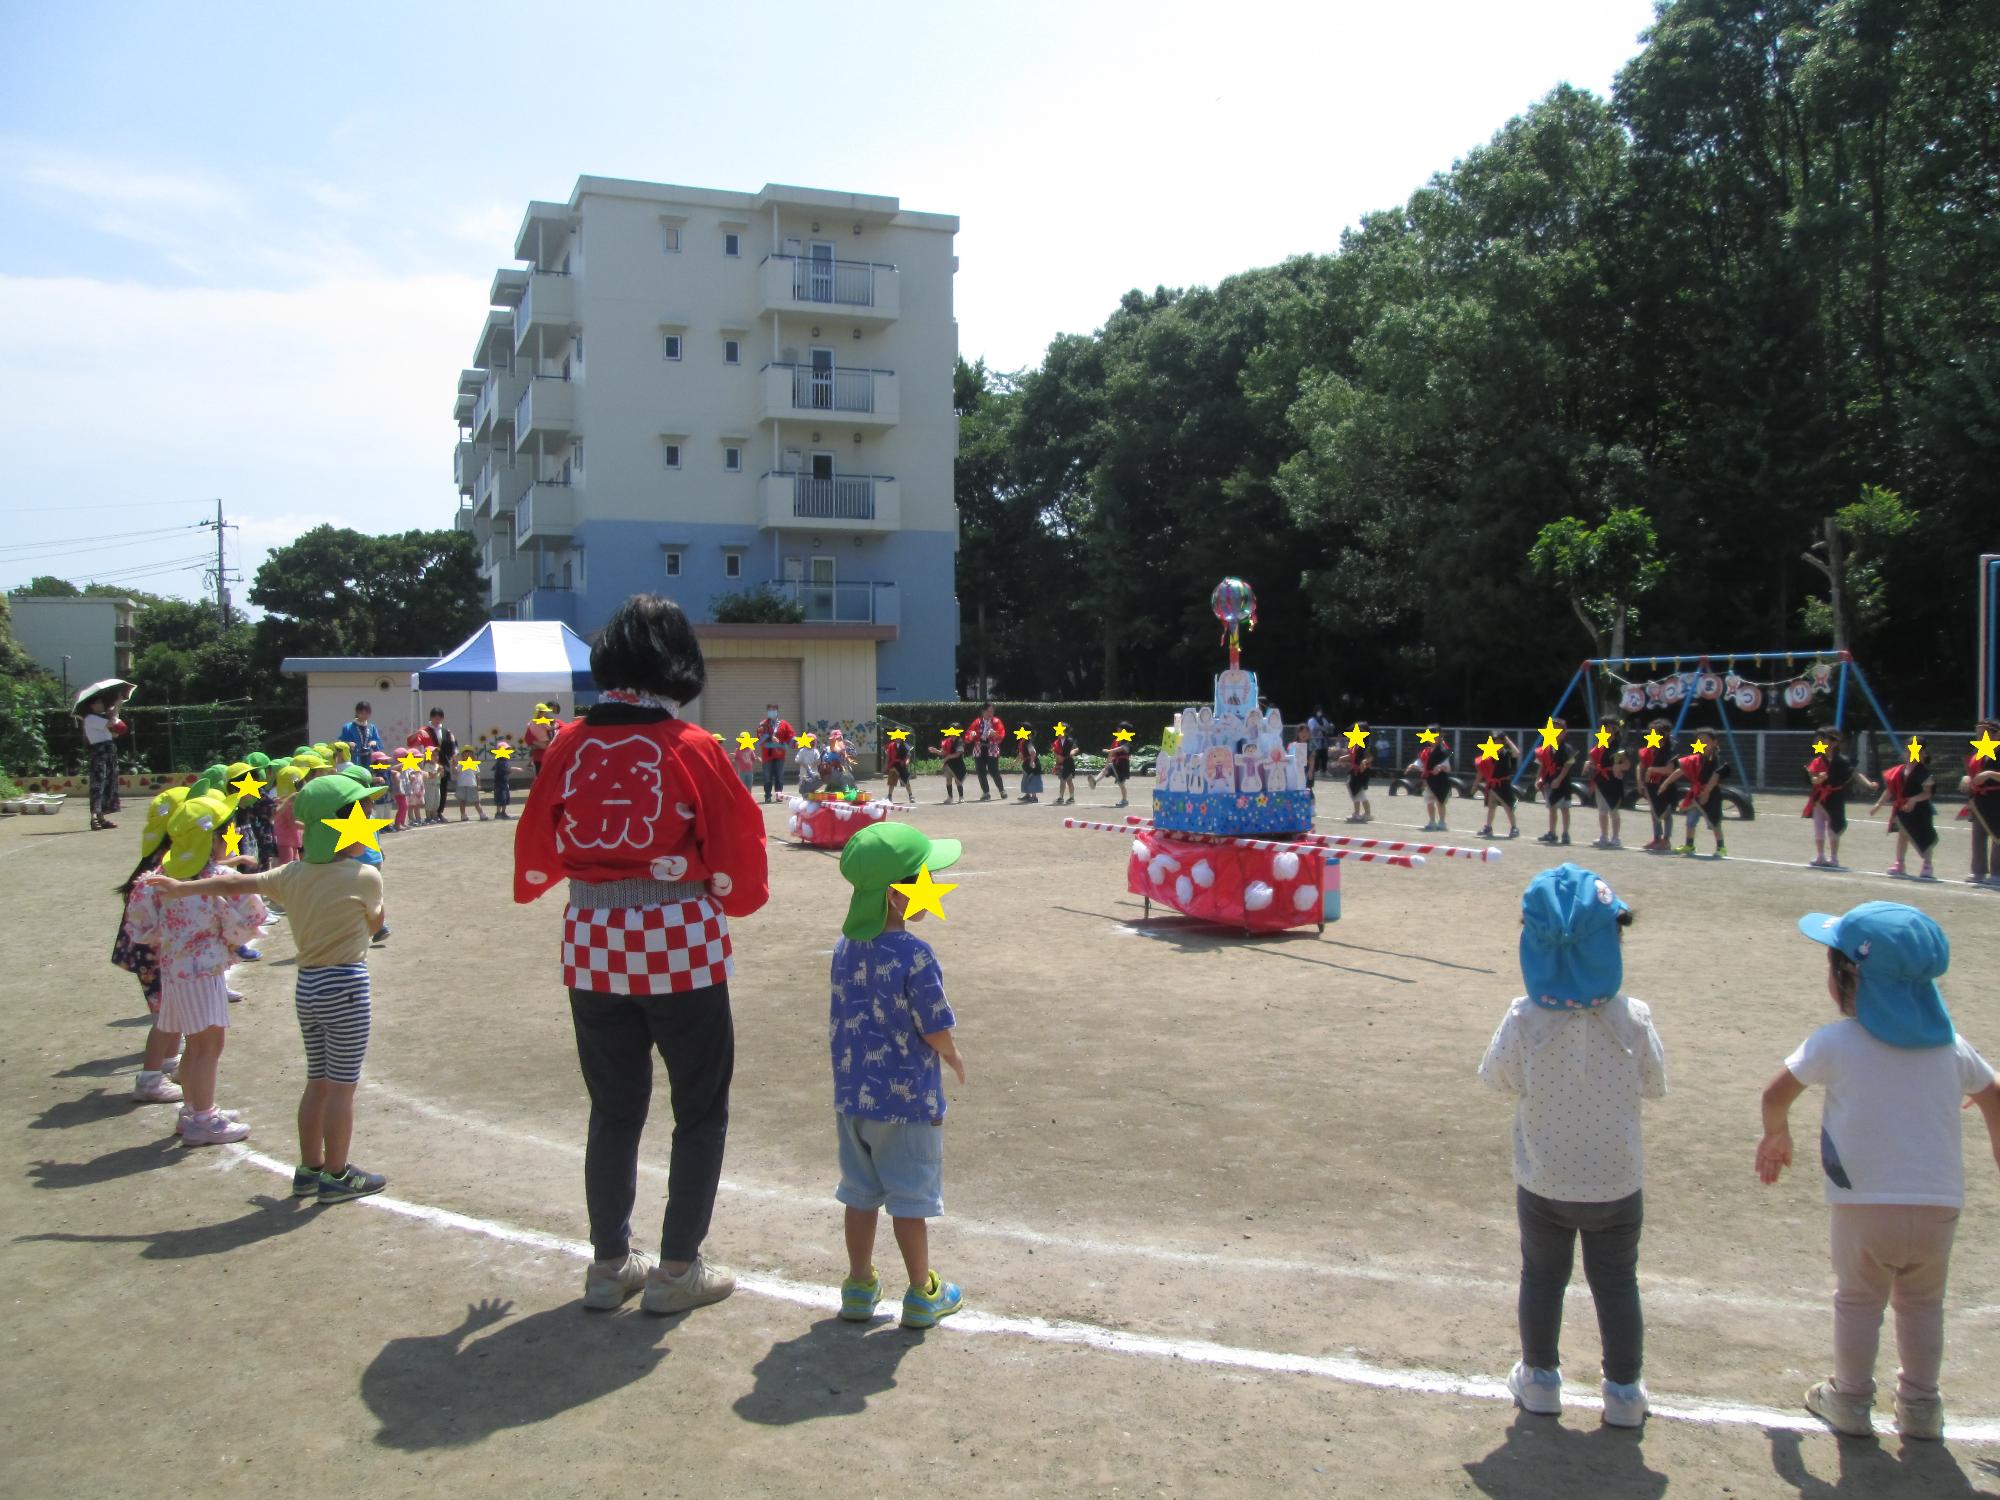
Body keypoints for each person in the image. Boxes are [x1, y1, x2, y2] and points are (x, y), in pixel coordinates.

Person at [511, 594, 770, 1316]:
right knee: (700, 1110)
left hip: (591, 943)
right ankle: (677, 1269)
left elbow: (537, 837)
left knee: (614, 1110)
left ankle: (608, 1265)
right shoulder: (692, 747)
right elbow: (737, 849)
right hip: (679, 942)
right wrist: (729, 896)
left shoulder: (566, 743)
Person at [1756, 902, 2000, 1440]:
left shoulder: (1835, 1041)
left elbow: (1776, 1094)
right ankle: (1920, 1407)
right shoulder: (1951, 1048)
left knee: (1859, 1299)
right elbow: (1994, 1097)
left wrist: (1778, 1132)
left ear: (1849, 978)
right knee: (1923, 1303)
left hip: (1864, 1206)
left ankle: (1849, 1397)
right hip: (1939, 1206)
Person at [142, 775, 396, 1204]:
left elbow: (229, 884)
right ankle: (337, 1175)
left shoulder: (291, 874)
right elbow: (376, 927)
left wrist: (182, 886)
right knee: (342, 1087)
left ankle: (309, 1168)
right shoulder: (365, 876)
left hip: (309, 987)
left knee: (317, 1081)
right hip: (347, 986)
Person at [1479, 865, 1665, 1429]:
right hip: (1616, 1181)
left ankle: (1540, 1379)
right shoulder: (1633, 1019)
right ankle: (1624, 1392)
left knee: (1542, 1276)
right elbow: (1655, 1086)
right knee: (1616, 1282)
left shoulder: (1525, 1017)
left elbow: (1498, 1080)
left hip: (1544, 1178)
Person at [831, 822, 967, 1329]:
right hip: (906, 1102)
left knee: (860, 1194)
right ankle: (921, 1291)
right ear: (895, 896)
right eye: (924, 878)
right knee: (909, 1199)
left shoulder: (846, 949)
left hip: (853, 1099)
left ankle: (859, 1284)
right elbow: (933, 1024)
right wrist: (952, 1056)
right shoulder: (914, 954)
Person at [122, 794, 265, 1146]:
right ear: (211, 839)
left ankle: (193, 1109)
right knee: (207, 1045)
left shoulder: (159, 880)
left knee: (196, 1044)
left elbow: (142, 927)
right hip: (203, 973)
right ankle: (203, 1117)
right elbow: (253, 917)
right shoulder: (217, 880)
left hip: (174, 970)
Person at [114, 787, 190, 1104]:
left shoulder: (161, 856)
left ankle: (169, 1064)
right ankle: (149, 1080)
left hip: (153, 950)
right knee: (167, 1013)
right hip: (155, 953)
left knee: (174, 1012)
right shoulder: (167, 864)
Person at [1804, 727, 1873, 871]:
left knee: (1833, 827)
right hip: (1819, 798)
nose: (1819, 742)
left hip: (1835, 797)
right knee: (1819, 827)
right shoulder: (1818, 760)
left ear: (1833, 743)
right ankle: (1820, 855)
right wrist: (1818, 779)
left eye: (1823, 739)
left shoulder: (1842, 761)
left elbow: (1855, 774)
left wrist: (1869, 784)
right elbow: (1812, 779)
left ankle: (1833, 857)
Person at [1874, 744, 1939, 880]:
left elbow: (1927, 793)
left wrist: (1914, 799)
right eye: (1908, 750)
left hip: (1920, 810)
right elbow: (1890, 790)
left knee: (1924, 835)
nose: (1910, 753)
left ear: (1923, 754)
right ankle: (1900, 863)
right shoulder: (1898, 771)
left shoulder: (1924, 773)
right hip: (1902, 808)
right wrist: (1878, 804)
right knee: (1903, 835)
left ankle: (1927, 865)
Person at [1663, 738, 1729, 859]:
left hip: (1711, 794)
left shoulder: (1717, 760)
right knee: (1690, 822)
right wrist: (1666, 782)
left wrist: (1707, 792)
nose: (1703, 743)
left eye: (1706, 741)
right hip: (1696, 794)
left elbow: (1717, 777)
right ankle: (1689, 845)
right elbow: (1681, 770)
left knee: (1714, 822)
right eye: (1701, 740)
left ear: (1714, 743)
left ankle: (1721, 847)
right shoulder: (1697, 758)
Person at [79, 687, 130, 831]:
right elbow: (111, 724)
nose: (102, 705)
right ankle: (94, 817)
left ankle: (102, 817)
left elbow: (115, 734)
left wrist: (115, 710)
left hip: (109, 751)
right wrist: (117, 706)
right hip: (99, 752)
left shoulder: (101, 718)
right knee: (98, 783)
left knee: (109, 783)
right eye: (99, 703)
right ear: (92, 706)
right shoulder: (90, 718)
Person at [1964, 719, 2000, 886]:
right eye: (1978, 733)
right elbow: (1973, 774)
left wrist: (1990, 774)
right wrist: (1967, 779)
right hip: (1979, 800)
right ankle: (1978, 870)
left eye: (1983, 733)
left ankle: (1996, 873)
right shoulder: (1979, 752)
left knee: (1997, 836)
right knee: (1978, 835)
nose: (1979, 736)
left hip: (1996, 799)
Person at [1588, 721, 1630, 850]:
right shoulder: (1601, 744)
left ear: (1614, 729)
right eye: (1603, 727)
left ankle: (1616, 837)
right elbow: (1594, 761)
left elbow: (1627, 765)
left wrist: (1618, 766)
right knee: (1602, 810)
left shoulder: (1619, 746)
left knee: (1613, 809)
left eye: (1607, 727)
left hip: (1613, 780)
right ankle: (1604, 836)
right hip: (1601, 779)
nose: (1604, 729)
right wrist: (1590, 765)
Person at [1534, 720, 1576, 846]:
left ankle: (1565, 833)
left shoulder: (1566, 748)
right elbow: (1541, 765)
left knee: (1564, 808)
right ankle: (1552, 832)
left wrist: (1558, 779)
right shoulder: (1546, 748)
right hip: (1549, 779)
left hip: (1562, 780)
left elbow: (1567, 766)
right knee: (1552, 807)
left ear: (1564, 733)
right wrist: (1538, 779)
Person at [1636, 722, 1676, 852]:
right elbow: (1640, 765)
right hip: (1652, 785)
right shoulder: (1652, 747)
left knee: (1666, 813)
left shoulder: (1671, 749)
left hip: (1666, 785)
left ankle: (1666, 840)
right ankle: (1656, 838)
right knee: (1654, 811)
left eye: (1654, 731)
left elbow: (1670, 769)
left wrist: (1652, 770)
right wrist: (1640, 781)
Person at [1406, 727, 1453, 833]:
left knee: (1440, 801)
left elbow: (1448, 764)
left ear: (1439, 737)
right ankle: (1432, 821)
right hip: (1429, 779)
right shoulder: (1426, 751)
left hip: (1441, 779)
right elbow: (1421, 761)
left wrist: (1441, 767)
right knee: (1429, 801)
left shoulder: (1443, 750)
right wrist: (1413, 765)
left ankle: (1442, 822)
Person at [1475, 732, 1521, 839]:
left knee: (1507, 806)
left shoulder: (1506, 753)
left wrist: (1508, 740)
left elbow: (1517, 753)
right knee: (1491, 806)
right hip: (1492, 783)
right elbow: (1482, 769)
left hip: (1503, 783)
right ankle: (1488, 827)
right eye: (1494, 740)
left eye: (1498, 740)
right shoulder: (1489, 754)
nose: (1495, 742)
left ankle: (1514, 827)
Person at [755, 704, 795, 803]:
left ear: (777, 711)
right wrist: (769, 737)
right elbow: (759, 737)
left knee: (779, 776)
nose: (771, 712)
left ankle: (779, 795)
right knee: (767, 776)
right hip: (767, 755)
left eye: (773, 710)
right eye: (769, 710)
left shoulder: (784, 724)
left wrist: (794, 742)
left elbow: (790, 735)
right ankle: (767, 796)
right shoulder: (763, 724)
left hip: (780, 754)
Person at [969, 704, 1007, 801]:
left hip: (992, 748)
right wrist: (971, 735)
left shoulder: (996, 721)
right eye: (988, 711)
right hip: (979, 748)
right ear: (983, 711)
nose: (990, 713)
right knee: (980, 771)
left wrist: (996, 734)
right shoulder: (977, 722)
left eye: (992, 711)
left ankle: (1002, 790)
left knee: (993, 770)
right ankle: (986, 792)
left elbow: (1001, 735)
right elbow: (969, 734)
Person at [423, 709, 458, 812]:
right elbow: (421, 746)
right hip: (430, 762)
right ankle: (429, 813)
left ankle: (439, 812)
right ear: (431, 718)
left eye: (440, 717)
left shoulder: (447, 731)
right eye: (435, 717)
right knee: (429, 788)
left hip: (444, 761)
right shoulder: (425, 730)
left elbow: (454, 746)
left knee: (443, 787)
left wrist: (454, 756)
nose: (437, 719)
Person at [1341, 726, 1375, 824]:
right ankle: (1362, 813)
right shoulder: (1355, 746)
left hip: (1362, 772)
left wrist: (1364, 762)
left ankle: (1363, 813)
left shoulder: (1365, 746)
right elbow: (1352, 756)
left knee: (1359, 792)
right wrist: (1342, 758)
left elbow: (1370, 757)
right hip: (1355, 771)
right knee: (1356, 792)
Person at [523, 701, 563, 781]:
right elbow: (529, 740)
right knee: (541, 779)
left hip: (554, 757)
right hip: (540, 758)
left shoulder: (558, 723)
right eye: (551, 710)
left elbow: (565, 734)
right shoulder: (537, 723)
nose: (553, 713)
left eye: (555, 711)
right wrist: (539, 745)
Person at [1102, 723, 1134, 809]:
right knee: (1106, 770)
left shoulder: (1126, 740)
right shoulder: (1117, 740)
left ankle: (1124, 800)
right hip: (1116, 763)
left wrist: (1109, 751)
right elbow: (1112, 753)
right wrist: (1107, 762)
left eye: (1120, 728)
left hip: (1123, 764)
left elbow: (1121, 749)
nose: (1117, 729)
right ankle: (1094, 781)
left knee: (1121, 783)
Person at [934, 725, 968, 805]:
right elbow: (943, 752)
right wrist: (936, 751)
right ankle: (950, 797)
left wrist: (947, 757)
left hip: (957, 765)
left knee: (958, 781)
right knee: (948, 780)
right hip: (949, 765)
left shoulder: (959, 741)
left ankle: (961, 797)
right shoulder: (947, 741)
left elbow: (958, 754)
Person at [1049, 726, 1080, 807]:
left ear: (1065, 732)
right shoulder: (1057, 742)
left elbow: (1076, 749)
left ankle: (1065, 797)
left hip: (1068, 762)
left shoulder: (1069, 740)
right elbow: (1055, 751)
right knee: (1066, 780)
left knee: (1065, 780)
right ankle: (1067, 797)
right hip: (1061, 763)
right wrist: (1057, 757)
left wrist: (1072, 752)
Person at [455, 748, 488, 822]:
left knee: (476, 801)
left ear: (472, 756)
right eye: (464, 754)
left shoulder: (474, 764)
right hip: (462, 785)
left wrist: (479, 784)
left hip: (472, 785)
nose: (466, 756)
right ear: (462, 756)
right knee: (462, 801)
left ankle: (481, 814)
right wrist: (453, 763)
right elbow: (455, 771)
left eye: (469, 754)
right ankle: (463, 815)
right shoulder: (460, 764)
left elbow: (477, 776)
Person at [882, 732, 915, 804]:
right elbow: (888, 756)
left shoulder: (905, 746)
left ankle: (911, 796)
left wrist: (907, 762)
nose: (897, 738)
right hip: (893, 765)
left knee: (906, 781)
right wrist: (886, 766)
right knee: (892, 781)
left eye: (899, 737)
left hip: (901, 764)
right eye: (896, 736)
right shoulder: (891, 745)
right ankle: (889, 796)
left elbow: (908, 756)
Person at [1016, 728, 1044, 804]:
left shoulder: (1028, 743)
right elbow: (1021, 754)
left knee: (1033, 779)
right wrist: (1016, 761)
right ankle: (1028, 795)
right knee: (1026, 779)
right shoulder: (1023, 742)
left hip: (1032, 763)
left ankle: (1034, 797)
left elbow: (1033, 752)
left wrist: (1032, 762)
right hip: (1027, 763)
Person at [490, 736, 515, 820]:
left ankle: (503, 812)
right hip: (500, 784)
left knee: (505, 798)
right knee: (500, 798)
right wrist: (516, 769)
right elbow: (507, 769)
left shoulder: (504, 761)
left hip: (504, 783)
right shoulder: (501, 762)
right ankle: (498, 813)